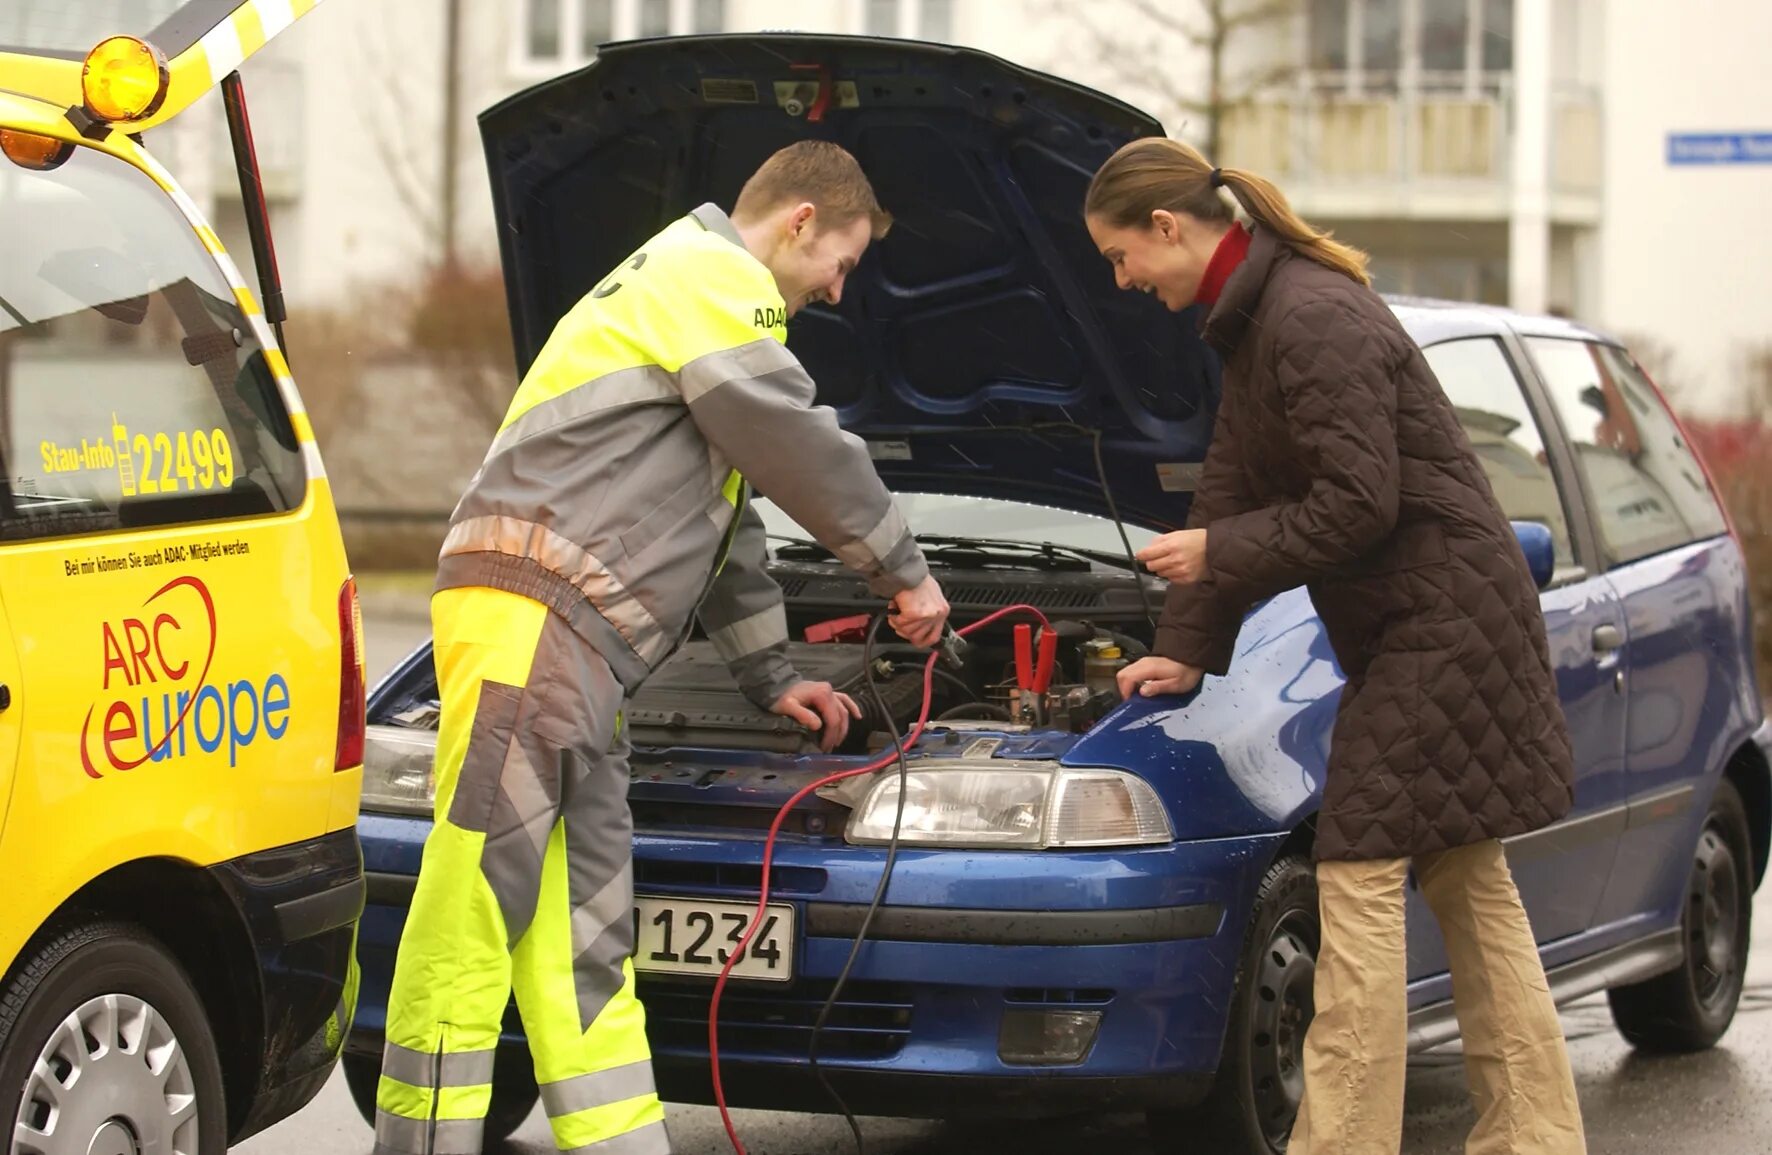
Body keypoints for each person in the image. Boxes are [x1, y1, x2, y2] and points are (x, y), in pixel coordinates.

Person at [373, 141, 950, 1155]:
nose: (837, 290)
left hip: (572, 643)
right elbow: (795, 439)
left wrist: (771, 675)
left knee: (583, 929)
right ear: (801, 220)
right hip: (532, 618)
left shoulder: (708, 303)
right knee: (473, 907)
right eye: (842, 263)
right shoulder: (709, 276)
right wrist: (901, 570)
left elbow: (725, 521)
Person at [1087, 137, 1586, 1155]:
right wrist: (1188, 645)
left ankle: (1342, 1143)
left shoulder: (1308, 316)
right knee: (1464, 875)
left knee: (1354, 872)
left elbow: (1358, 505)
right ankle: (1532, 1137)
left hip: (1438, 627)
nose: (1120, 279)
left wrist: (1218, 548)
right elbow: (1231, 479)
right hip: (1431, 619)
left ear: (1167, 229)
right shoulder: (1260, 319)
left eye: (1118, 255)